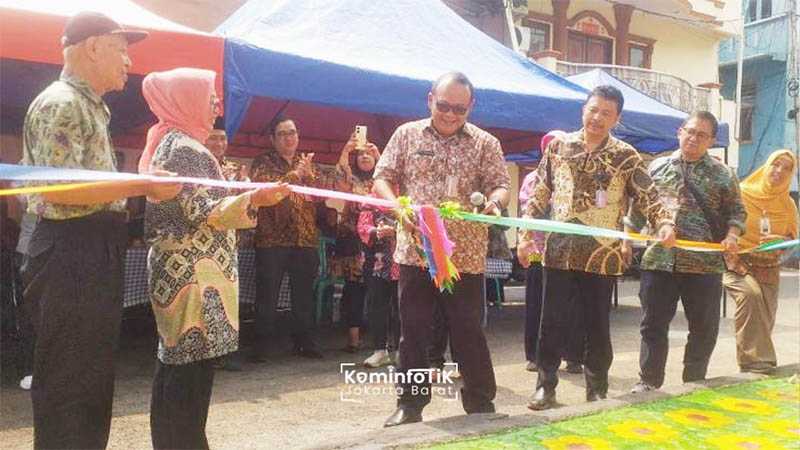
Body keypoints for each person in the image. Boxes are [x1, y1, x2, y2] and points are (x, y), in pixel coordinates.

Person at [19, 12, 182, 449]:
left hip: (93, 245)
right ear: (93, 47)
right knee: (69, 377)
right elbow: (59, 189)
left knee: (90, 375)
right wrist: (143, 184)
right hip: (70, 249)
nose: (128, 61)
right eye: (121, 49)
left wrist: (143, 182)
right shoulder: (61, 103)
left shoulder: (88, 105)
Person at [138, 67, 289, 449]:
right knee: (188, 376)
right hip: (195, 278)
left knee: (178, 368)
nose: (217, 106)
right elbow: (202, 208)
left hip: (186, 276)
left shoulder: (170, 141)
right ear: (186, 100)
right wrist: (255, 198)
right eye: (210, 99)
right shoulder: (186, 148)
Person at [518, 85, 676, 411]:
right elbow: (539, 195)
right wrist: (524, 235)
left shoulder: (626, 156)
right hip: (558, 251)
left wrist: (663, 223)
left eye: (606, 113)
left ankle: (597, 389)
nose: (597, 117)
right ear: (583, 110)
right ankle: (545, 387)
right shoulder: (559, 148)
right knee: (551, 322)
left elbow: (649, 195)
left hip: (602, 254)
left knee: (597, 324)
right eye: (593, 110)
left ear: (616, 118)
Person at [374, 71, 510, 427]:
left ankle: (480, 402)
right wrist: (397, 206)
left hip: (463, 255)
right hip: (416, 253)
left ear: (471, 107)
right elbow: (381, 176)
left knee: (468, 330)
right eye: (444, 106)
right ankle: (410, 404)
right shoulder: (406, 134)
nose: (450, 115)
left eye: (460, 109)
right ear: (430, 99)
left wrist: (494, 203)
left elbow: (499, 186)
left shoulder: (485, 143)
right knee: (414, 331)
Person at [628, 111, 746, 394]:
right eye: (689, 131)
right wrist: (627, 239)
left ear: (712, 141)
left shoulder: (723, 174)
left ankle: (693, 381)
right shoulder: (656, 167)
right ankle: (648, 381)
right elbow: (638, 208)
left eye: (701, 135)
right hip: (659, 260)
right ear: (679, 132)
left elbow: (737, 212)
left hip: (703, 265)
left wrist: (732, 235)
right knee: (653, 325)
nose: (693, 138)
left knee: (703, 328)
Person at [249, 117, 324, 360]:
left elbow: (320, 197)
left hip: (305, 237)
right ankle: (261, 347)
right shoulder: (263, 161)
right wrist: (295, 175)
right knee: (267, 294)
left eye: (292, 132)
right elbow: (266, 190)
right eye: (282, 134)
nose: (288, 138)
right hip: (272, 239)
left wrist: (310, 176)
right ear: (273, 138)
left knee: (304, 294)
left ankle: (305, 342)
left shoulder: (307, 161)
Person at [723, 149, 797, 374]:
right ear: (767, 165)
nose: (779, 171)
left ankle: (751, 368)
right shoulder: (743, 193)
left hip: (769, 268)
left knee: (764, 319)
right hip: (737, 262)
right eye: (776, 164)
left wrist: (780, 240)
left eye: (786, 168)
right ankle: (755, 364)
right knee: (750, 296)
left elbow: (792, 238)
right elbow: (726, 224)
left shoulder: (788, 204)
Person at [333, 135, 381, 352]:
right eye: (360, 154)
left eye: (369, 154)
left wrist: (381, 158)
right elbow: (339, 180)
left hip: (378, 242)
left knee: (379, 290)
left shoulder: (381, 180)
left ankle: (380, 341)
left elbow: (395, 183)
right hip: (352, 243)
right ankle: (353, 339)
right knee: (354, 289)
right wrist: (345, 151)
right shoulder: (351, 180)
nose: (364, 156)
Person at [357, 201, 400, 368]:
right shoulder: (369, 203)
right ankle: (379, 351)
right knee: (376, 307)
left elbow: (417, 225)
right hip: (376, 264)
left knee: (401, 309)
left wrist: (395, 230)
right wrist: (377, 231)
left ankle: (400, 351)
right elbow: (362, 228)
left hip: (401, 264)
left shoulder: (406, 197)